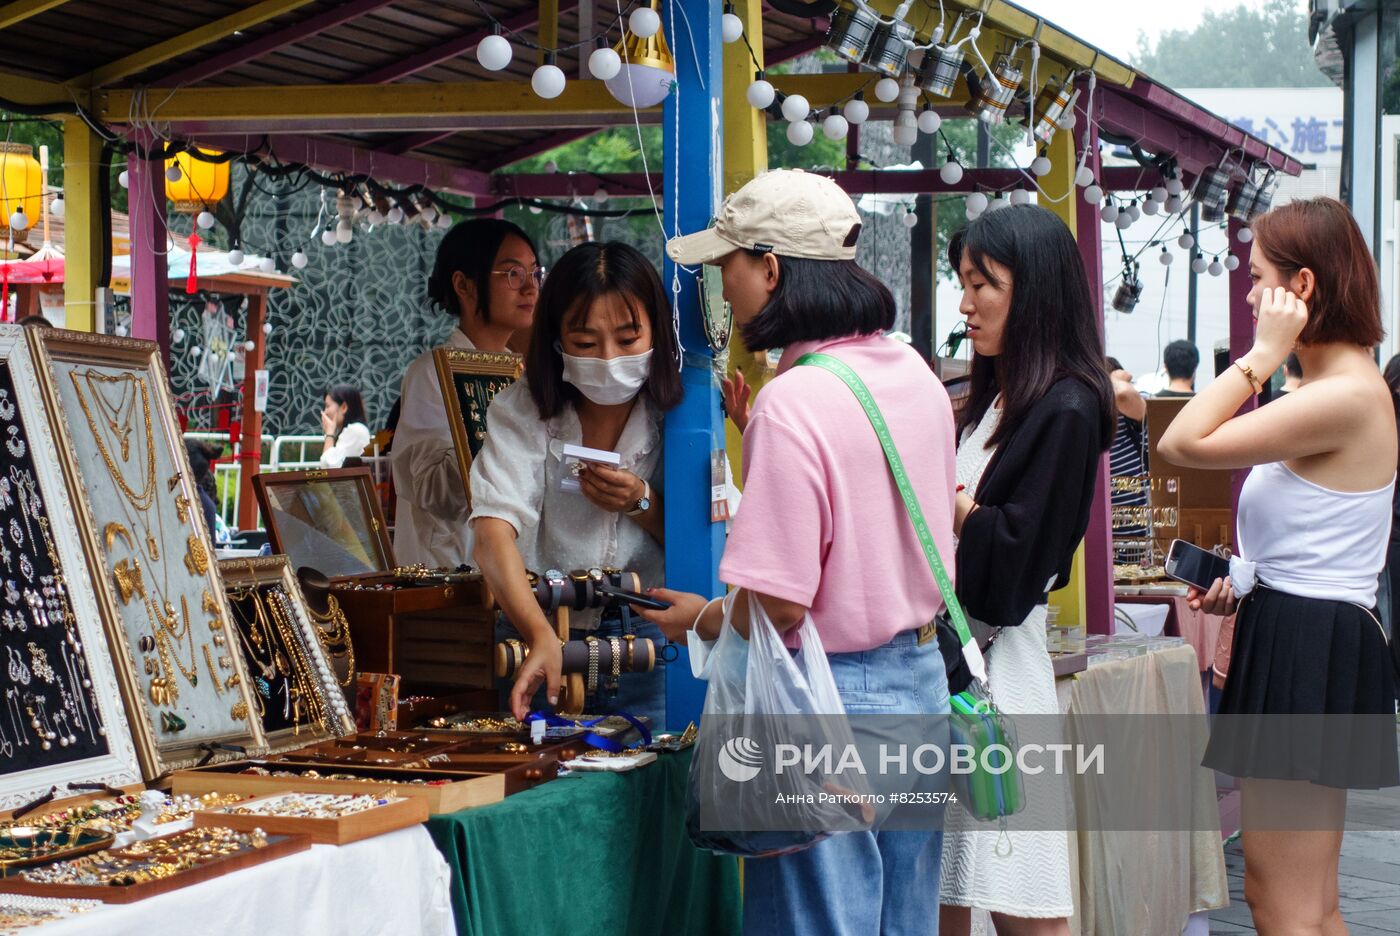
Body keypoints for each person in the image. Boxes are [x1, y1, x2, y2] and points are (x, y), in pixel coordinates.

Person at [641, 169, 957, 936]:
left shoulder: (795, 398)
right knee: (902, 921)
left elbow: (782, 601)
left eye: (728, 269)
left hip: (827, 704)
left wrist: (710, 618)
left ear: (771, 269)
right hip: (919, 687)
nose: (725, 291)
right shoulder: (914, 372)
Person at [1161, 197, 1398, 935]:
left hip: (1308, 644)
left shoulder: (1343, 393)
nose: (1248, 291)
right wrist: (1247, 583)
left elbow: (1183, 442)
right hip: (1303, 631)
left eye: (1257, 276)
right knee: (1310, 905)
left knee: (1284, 904)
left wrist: (1260, 356)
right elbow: (1313, 540)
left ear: (1301, 288)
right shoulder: (1337, 390)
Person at [938, 204, 1115, 936]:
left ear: (1034, 290)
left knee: (1021, 892)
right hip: (962, 666)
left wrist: (955, 511)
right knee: (950, 881)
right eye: (963, 281)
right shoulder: (994, 397)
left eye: (985, 284)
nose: (966, 301)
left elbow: (1017, 564)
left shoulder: (1067, 407)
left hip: (1000, 672)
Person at [470, 241, 681, 727]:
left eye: (628, 340)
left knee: (657, 786)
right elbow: (492, 533)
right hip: (538, 629)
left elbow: (708, 545)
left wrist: (641, 502)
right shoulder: (523, 409)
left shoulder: (681, 417)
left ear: (657, 331)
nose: (608, 359)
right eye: (586, 344)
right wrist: (540, 634)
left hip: (650, 639)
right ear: (557, 340)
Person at [392, 219, 541, 568]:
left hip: (511, 574)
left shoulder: (522, 375)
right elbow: (433, 492)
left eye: (534, 273)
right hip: (449, 576)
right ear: (464, 285)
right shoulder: (430, 371)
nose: (531, 287)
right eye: (512, 274)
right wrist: (492, 434)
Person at [1107, 357, 1149, 563]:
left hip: (1135, 536)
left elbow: (1123, 393)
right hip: (1103, 534)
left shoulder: (1132, 416)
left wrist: (1113, 378)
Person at [318, 384, 370, 469]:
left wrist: (329, 434)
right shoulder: (352, 430)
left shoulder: (355, 430)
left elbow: (328, 468)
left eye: (327, 406)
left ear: (344, 407)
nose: (325, 412)